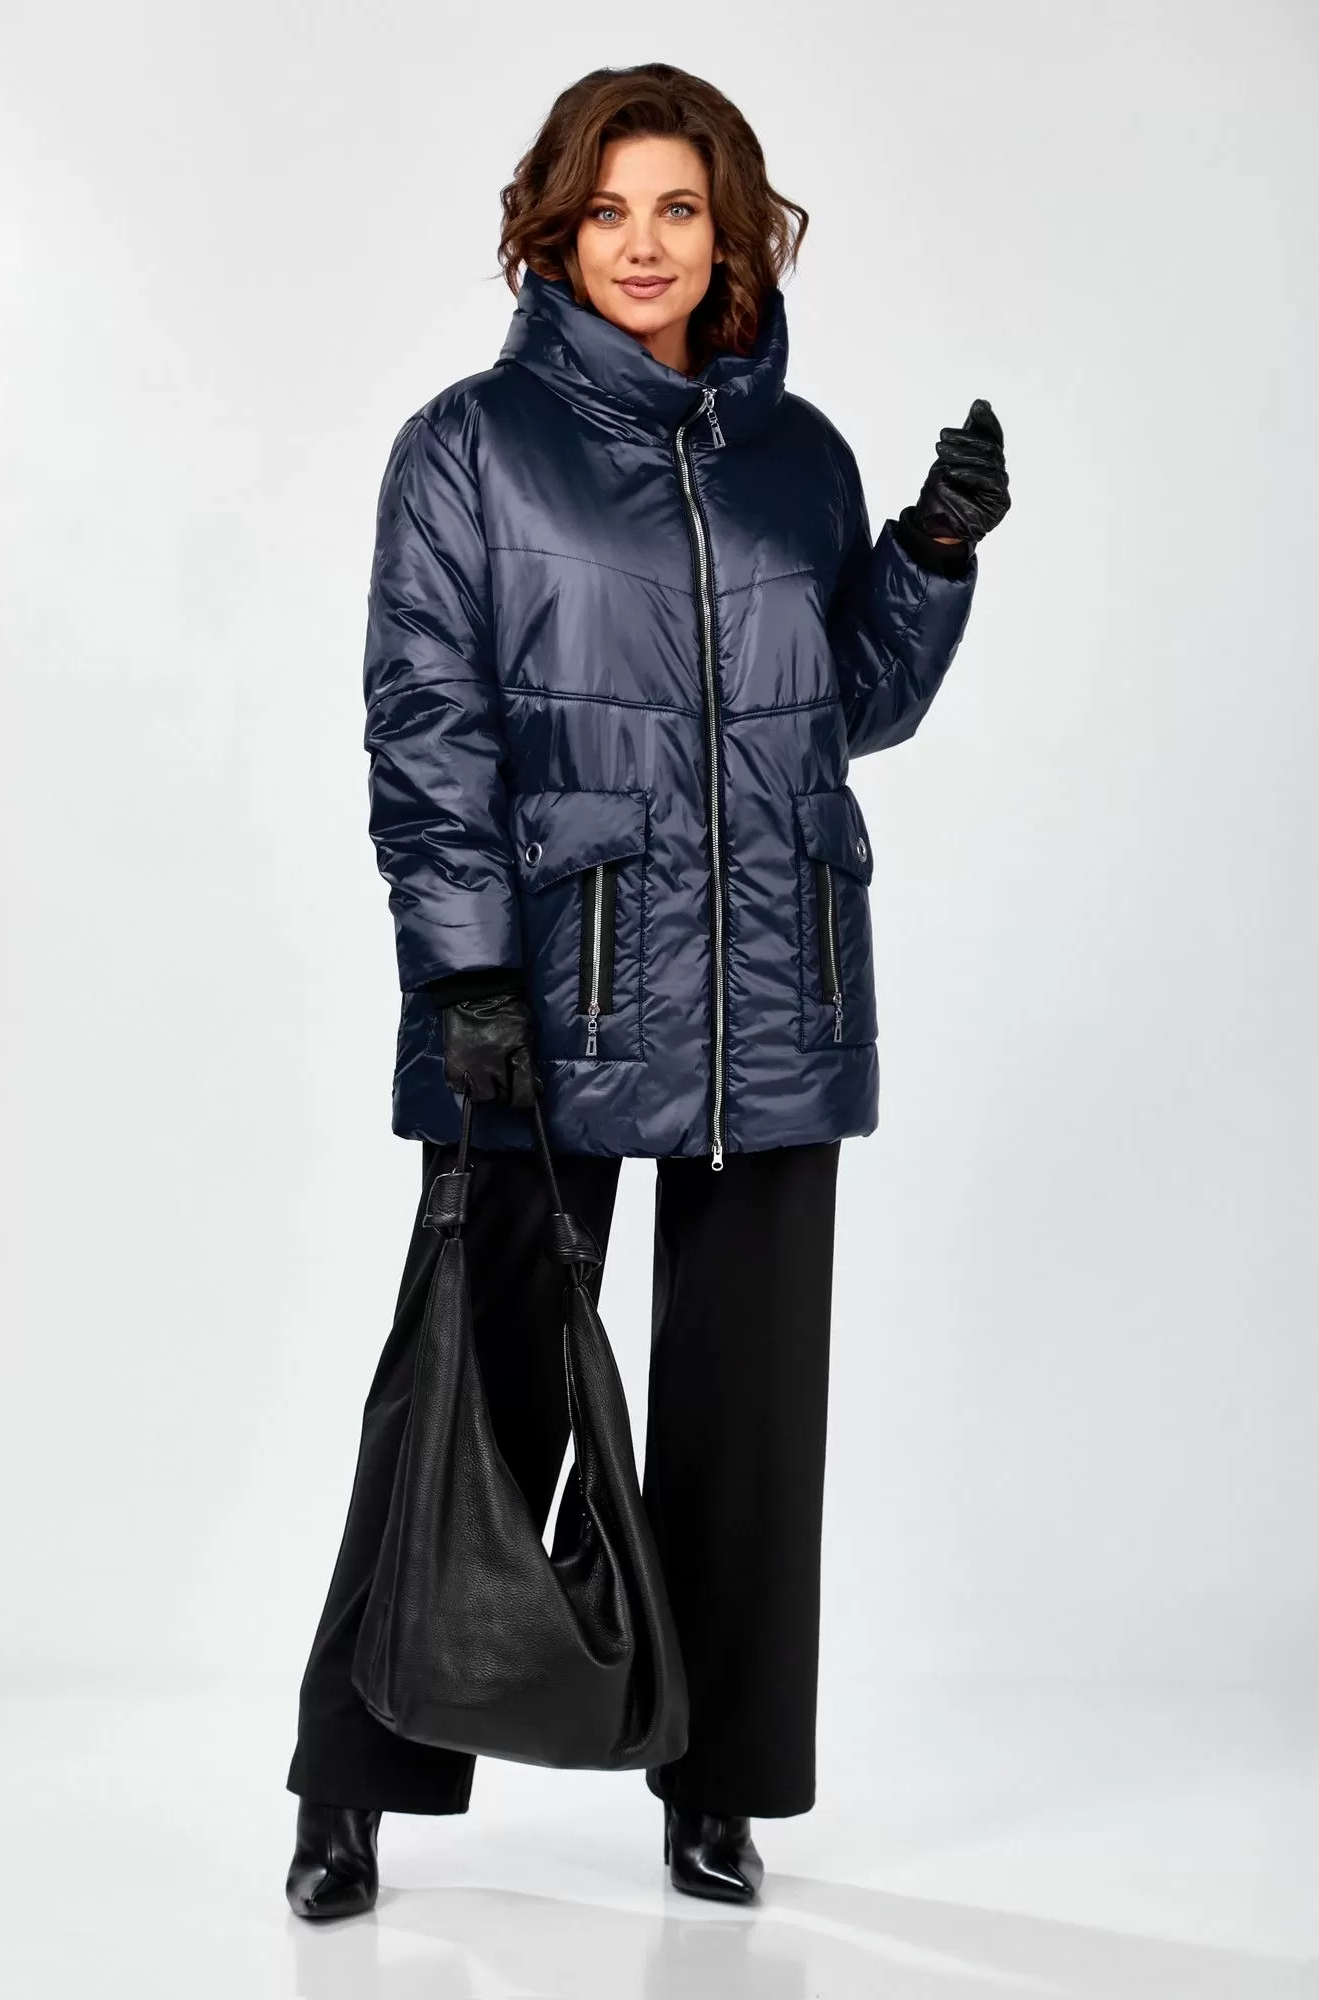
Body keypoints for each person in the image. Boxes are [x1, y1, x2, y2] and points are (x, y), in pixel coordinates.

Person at [284, 59, 1010, 1919]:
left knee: (748, 1427)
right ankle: (352, 1783)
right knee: (470, 1398)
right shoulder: (469, 449)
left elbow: (844, 710)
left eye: (678, 208)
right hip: (550, 997)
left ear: (733, 230)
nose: (643, 243)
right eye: (607, 209)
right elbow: (427, 729)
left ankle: (719, 1793)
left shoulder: (799, 455)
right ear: (553, 227)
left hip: (773, 988)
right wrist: (464, 971)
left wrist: (929, 558)